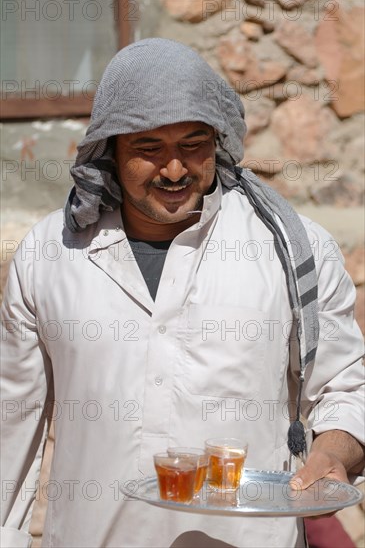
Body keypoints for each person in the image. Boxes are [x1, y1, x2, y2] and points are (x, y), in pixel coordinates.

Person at [1, 38, 364, 548]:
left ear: (218, 141)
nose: (174, 170)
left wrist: (335, 451)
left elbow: (347, 388)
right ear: (109, 151)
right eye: (149, 149)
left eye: (193, 145)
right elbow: (11, 427)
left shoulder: (291, 249)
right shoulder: (51, 254)